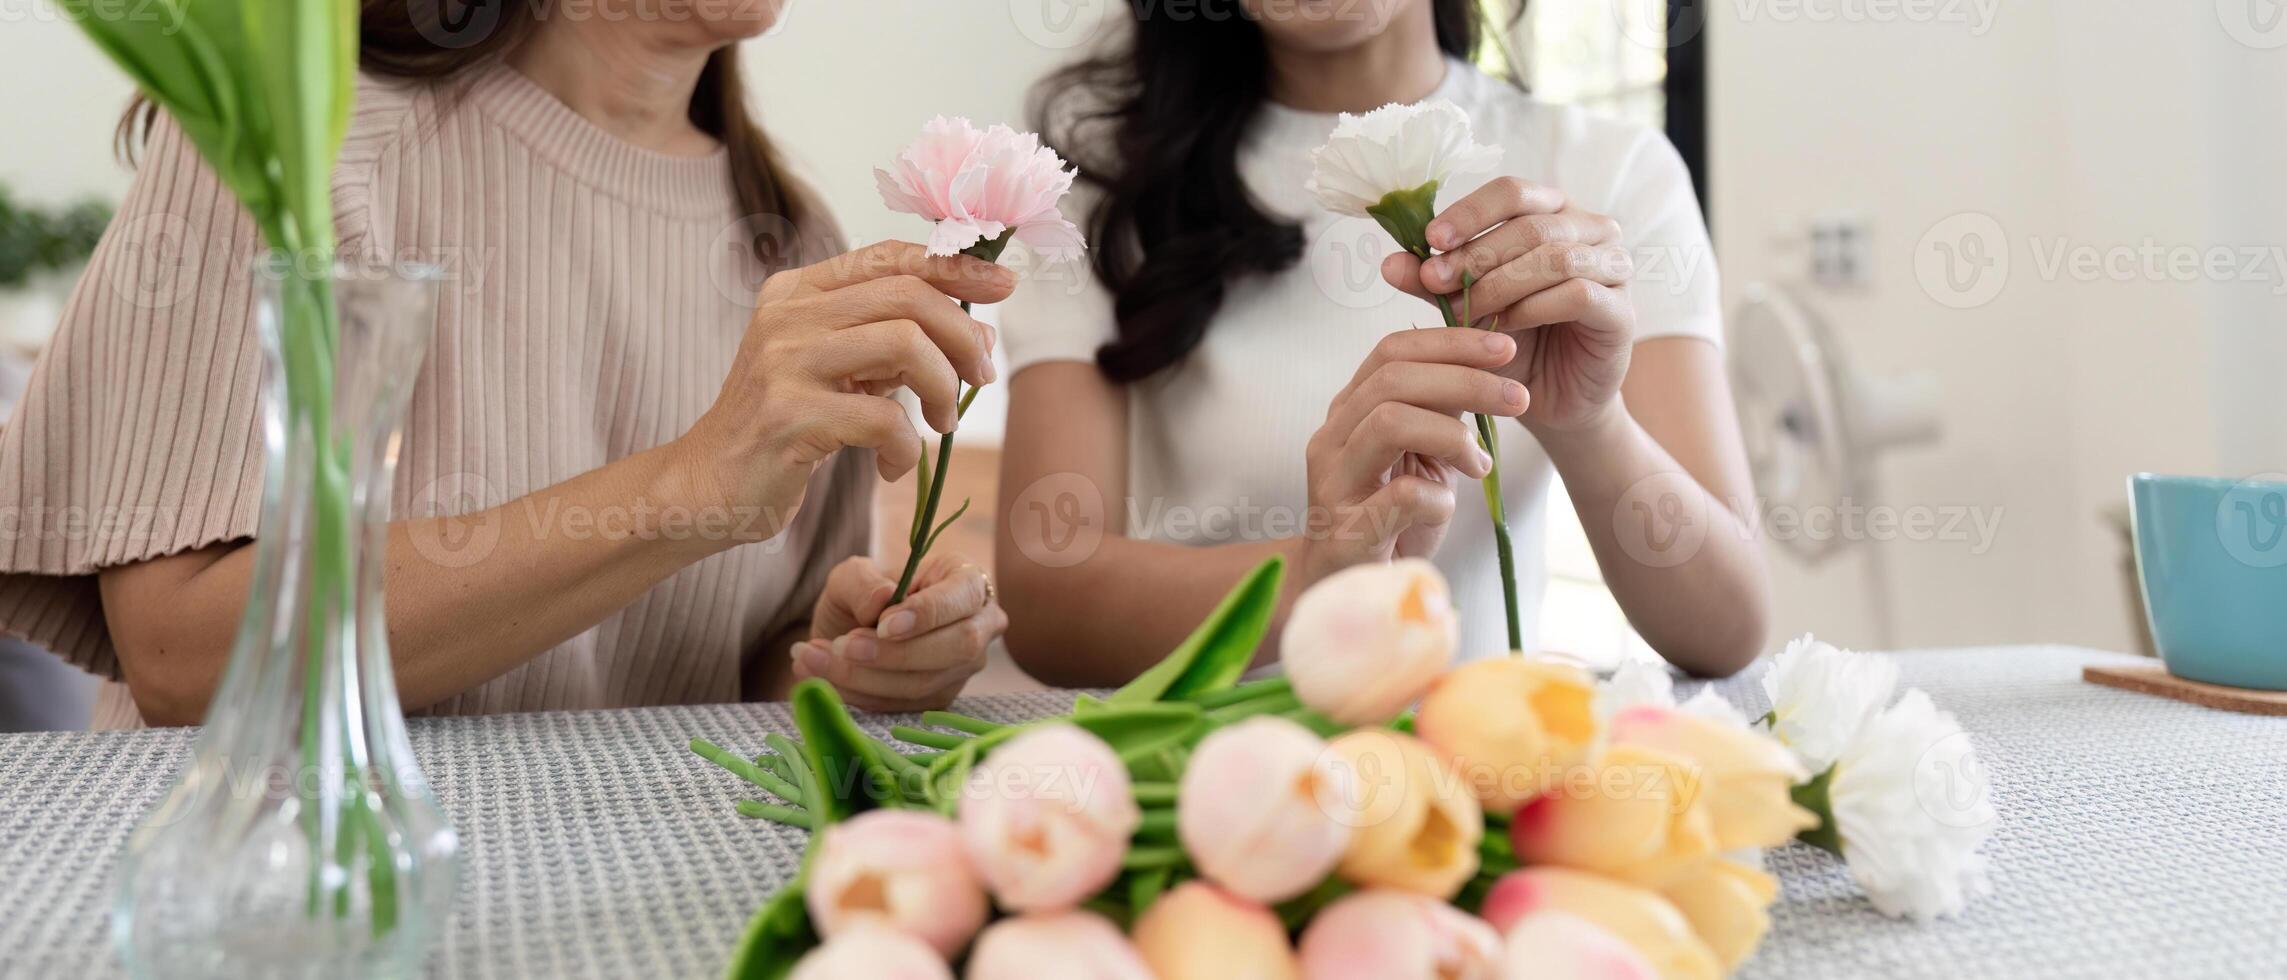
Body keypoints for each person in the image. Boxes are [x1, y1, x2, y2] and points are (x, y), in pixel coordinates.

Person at [0, 0, 1003, 726]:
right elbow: (184, 656)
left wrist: (848, 671)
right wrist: (687, 486)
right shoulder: (293, 149)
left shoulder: (788, 240)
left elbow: (755, 682)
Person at [995, 0, 1769, 684]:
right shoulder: (1095, 196)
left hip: (1475, 786)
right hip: (1203, 789)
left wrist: (1589, 425)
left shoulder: (1609, 171)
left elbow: (1726, 631)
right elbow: (1044, 600)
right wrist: (1317, 569)